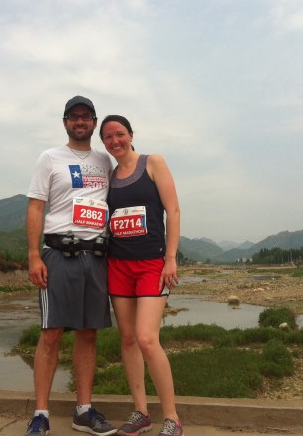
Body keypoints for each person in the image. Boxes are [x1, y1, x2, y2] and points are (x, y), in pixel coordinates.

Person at [25, 96, 116, 436]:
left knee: (88, 334)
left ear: (94, 122)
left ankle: (83, 411)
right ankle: (41, 414)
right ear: (65, 122)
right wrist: (34, 255)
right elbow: (36, 207)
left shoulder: (105, 161)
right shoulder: (50, 158)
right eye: (73, 116)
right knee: (51, 333)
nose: (80, 121)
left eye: (86, 116)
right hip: (59, 254)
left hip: (96, 257)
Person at [98, 115, 184, 436]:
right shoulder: (109, 177)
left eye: (119, 134)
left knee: (147, 339)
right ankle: (141, 412)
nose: (115, 141)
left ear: (131, 135)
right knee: (128, 339)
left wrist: (170, 258)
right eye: (108, 137)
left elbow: (173, 210)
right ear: (104, 143)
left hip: (151, 264)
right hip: (118, 265)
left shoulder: (153, 163)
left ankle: (172, 418)